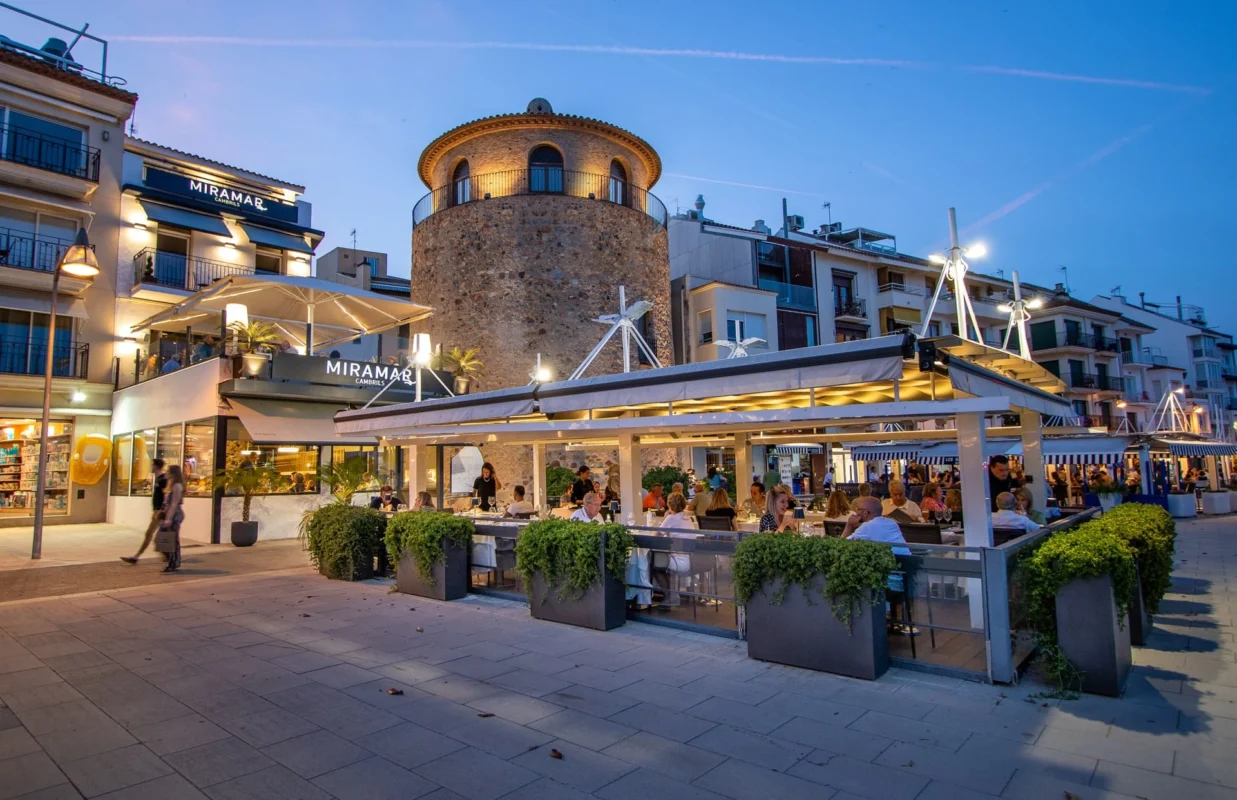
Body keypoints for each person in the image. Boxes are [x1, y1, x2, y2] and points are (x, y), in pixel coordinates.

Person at [121, 458, 166, 564]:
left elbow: (166, 496)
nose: (151, 467)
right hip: (157, 511)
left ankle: (136, 556)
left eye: (152, 465)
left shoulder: (162, 480)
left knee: (149, 534)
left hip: (159, 512)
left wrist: (160, 510)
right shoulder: (160, 479)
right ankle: (166, 555)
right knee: (153, 535)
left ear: (156, 466)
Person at [154, 464, 186, 573]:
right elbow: (166, 502)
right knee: (161, 538)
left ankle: (173, 562)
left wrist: (169, 518)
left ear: (173, 474)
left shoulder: (177, 486)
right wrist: (161, 511)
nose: (166, 473)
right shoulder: (170, 485)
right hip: (168, 513)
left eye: (168, 472)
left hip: (175, 514)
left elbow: (174, 503)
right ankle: (171, 559)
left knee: (172, 539)